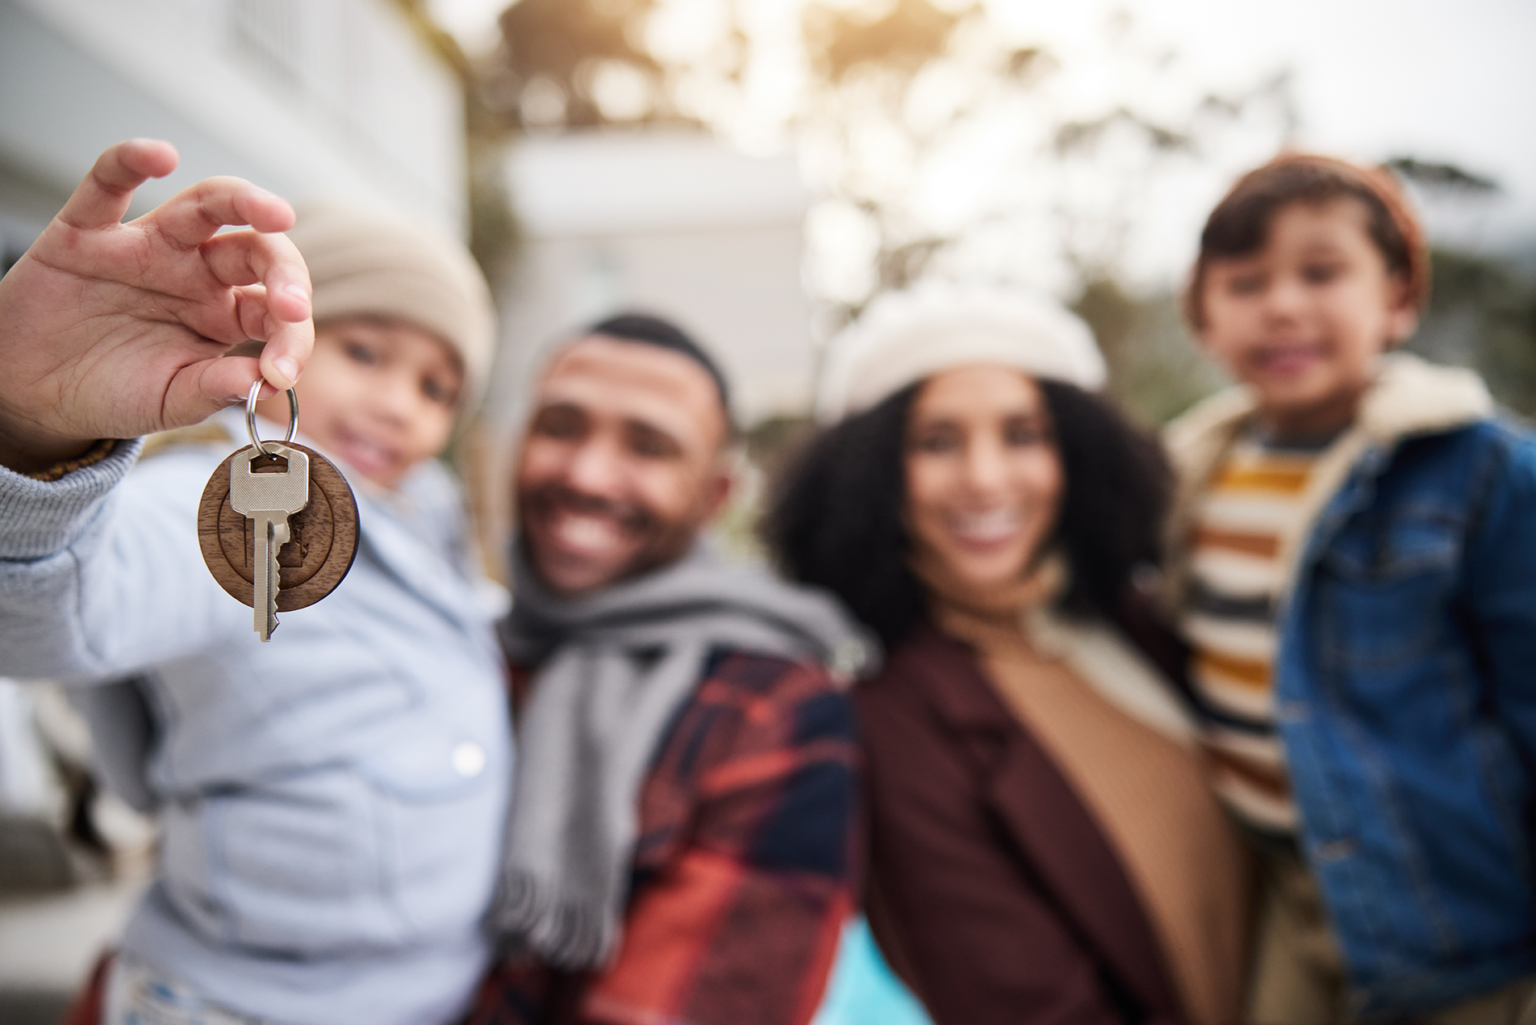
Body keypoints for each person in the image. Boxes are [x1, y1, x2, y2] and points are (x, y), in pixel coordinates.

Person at [0, 140, 511, 1025]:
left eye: (436, 386)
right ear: (271, 336)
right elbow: (51, 611)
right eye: (364, 351)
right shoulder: (229, 501)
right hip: (243, 1001)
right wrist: (31, 437)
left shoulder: (413, 516)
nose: (400, 404)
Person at [764, 284, 1252, 1025]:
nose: (986, 477)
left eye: (1023, 434)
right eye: (937, 441)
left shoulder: (1135, 621)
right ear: (873, 477)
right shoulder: (891, 715)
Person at [1167, 153, 1536, 1024]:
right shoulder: (1189, 480)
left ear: (1399, 299)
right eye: (1246, 282)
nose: (1284, 303)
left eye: (1322, 272)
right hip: (1280, 892)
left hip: (1446, 911)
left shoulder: (1478, 473)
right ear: (1205, 320)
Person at [469, 312, 870, 1025]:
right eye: (561, 426)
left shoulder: (775, 708)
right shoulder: (460, 649)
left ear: (713, 496)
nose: (587, 474)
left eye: (648, 447)